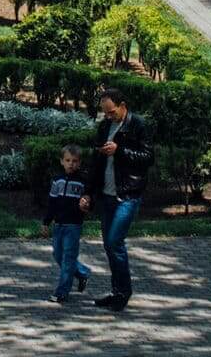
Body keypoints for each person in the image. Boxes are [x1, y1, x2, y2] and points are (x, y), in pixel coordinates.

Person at [79, 88, 153, 312]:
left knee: (114, 242)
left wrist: (120, 151)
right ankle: (116, 290)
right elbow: (96, 162)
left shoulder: (138, 125)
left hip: (127, 193)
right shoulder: (104, 127)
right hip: (107, 194)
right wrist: (88, 192)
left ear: (122, 105)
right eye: (105, 113)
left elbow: (148, 158)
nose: (108, 117)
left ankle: (124, 292)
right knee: (109, 246)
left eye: (111, 112)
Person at [44, 145, 92, 304]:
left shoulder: (83, 181)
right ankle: (83, 272)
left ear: (80, 163)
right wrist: (46, 222)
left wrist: (86, 204)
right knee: (58, 255)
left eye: (75, 161)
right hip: (59, 224)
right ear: (62, 161)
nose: (71, 164)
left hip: (73, 225)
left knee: (68, 259)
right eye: (68, 160)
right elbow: (52, 203)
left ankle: (62, 291)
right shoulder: (57, 180)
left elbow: (90, 201)